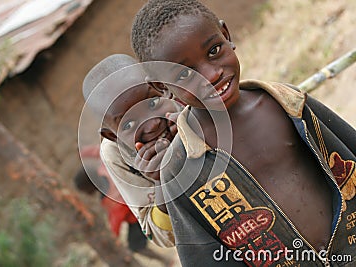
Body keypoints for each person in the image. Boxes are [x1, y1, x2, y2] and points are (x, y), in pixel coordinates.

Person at [131, 0, 356, 266]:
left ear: (227, 36)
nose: (212, 75)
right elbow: (203, 259)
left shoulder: (286, 104)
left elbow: (348, 154)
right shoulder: (180, 170)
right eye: (185, 74)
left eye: (214, 50)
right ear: (162, 86)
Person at [81, 54, 181, 248]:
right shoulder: (115, 154)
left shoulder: (184, 99)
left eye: (152, 103)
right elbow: (162, 236)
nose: (152, 125)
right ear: (112, 136)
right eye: (129, 124)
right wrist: (162, 183)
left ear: (161, 86)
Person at [74, 145, 171, 264]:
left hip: (139, 216)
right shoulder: (105, 167)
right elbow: (98, 151)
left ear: (90, 188)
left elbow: (116, 218)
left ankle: (166, 261)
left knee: (136, 246)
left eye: (85, 191)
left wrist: (113, 237)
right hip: (146, 199)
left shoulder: (109, 198)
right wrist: (83, 153)